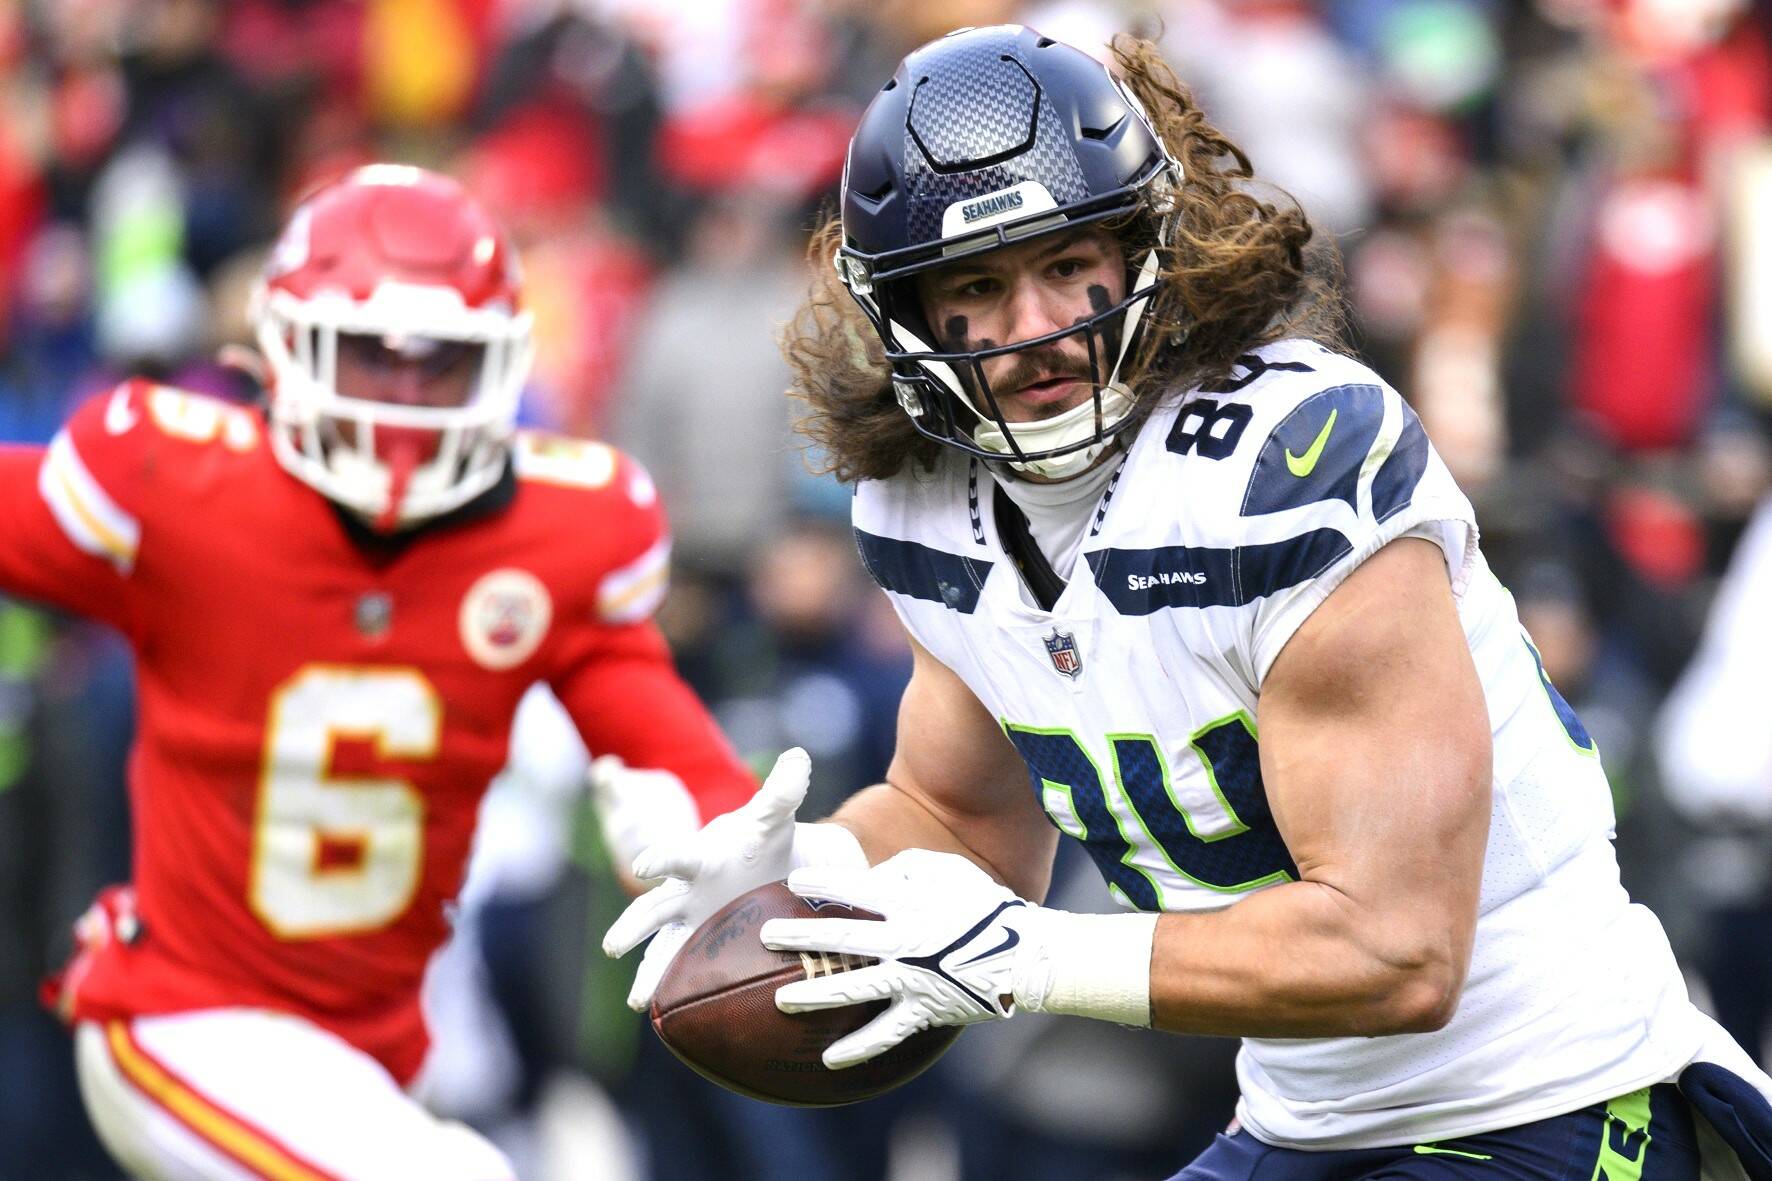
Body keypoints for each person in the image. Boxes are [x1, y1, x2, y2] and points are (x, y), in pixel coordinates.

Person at [605, 27, 1772, 1181]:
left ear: (1145, 247)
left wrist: (1031, 960)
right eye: (976, 286)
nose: (1034, 326)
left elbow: (1397, 950)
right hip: (1305, 1113)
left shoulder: (1286, 462)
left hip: (1551, 1088)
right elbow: (958, 818)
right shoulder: (925, 506)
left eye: (1066, 262)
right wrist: (804, 873)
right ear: (903, 312)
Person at [0, 164, 757, 1181]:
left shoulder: (558, 534)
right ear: (287, 347)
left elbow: (679, 757)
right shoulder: (177, 482)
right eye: (369, 356)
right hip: (180, 1012)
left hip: (369, 1055)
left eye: (438, 365)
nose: (403, 401)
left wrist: (712, 844)